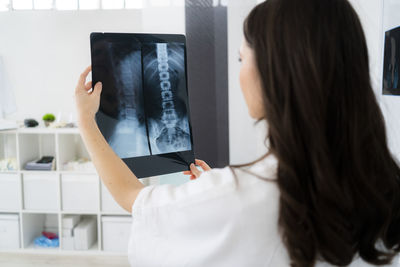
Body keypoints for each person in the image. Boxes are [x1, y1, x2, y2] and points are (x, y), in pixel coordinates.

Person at [74, 0, 400, 266]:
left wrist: (88, 122)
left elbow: (136, 201)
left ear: (273, 71)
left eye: (241, 57)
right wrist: (216, 193)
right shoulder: (383, 182)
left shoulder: (241, 197)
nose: (239, 72)